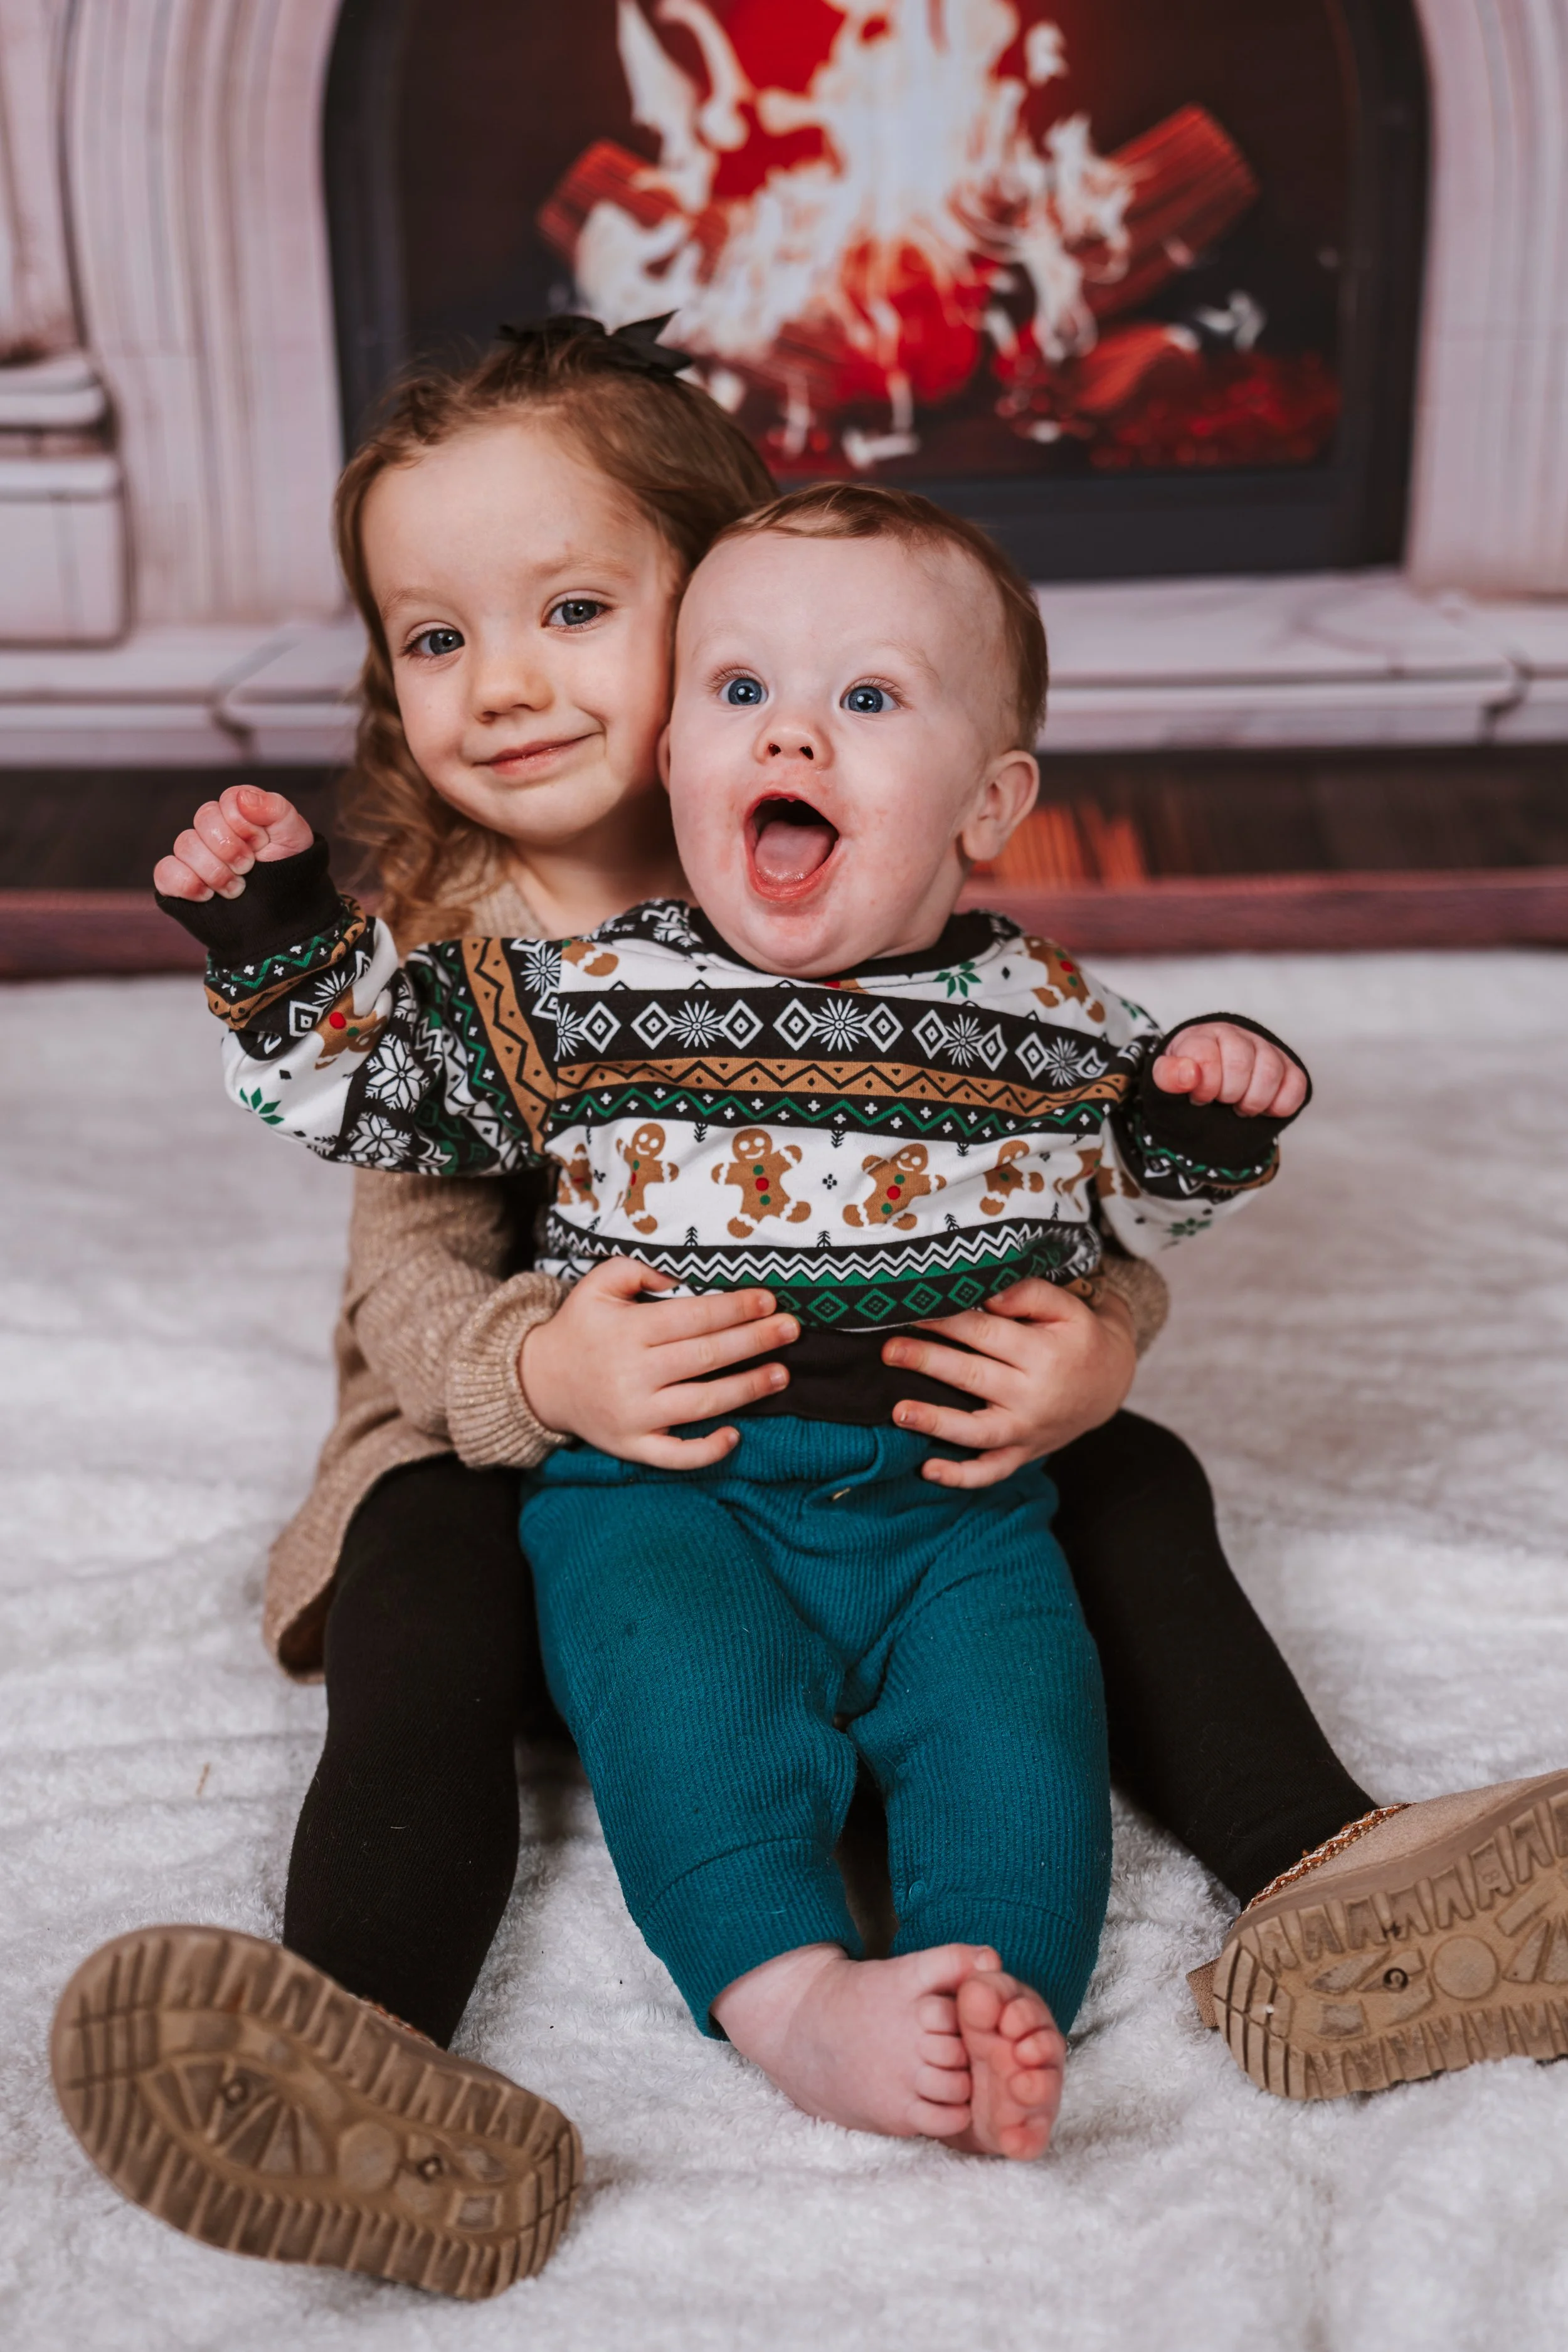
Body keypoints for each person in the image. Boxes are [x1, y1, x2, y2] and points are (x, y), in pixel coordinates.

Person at [151, 470, 1316, 2167]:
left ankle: (988, 1996)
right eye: (741, 690)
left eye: (869, 700)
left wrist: (1203, 1115)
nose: (792, 734)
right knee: (683, 1708)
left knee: (1020, 1740)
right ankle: (793, 2002)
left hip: (957, 1506)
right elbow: (374, 1087)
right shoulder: (597, 993)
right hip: (670, 1487)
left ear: (990, 801)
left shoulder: (1052, 1016)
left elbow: (1132, 1213)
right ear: (675, 754)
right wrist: (274, 932)